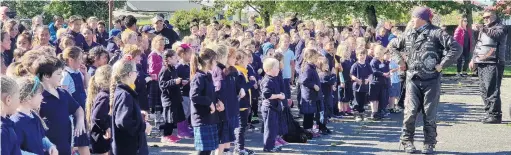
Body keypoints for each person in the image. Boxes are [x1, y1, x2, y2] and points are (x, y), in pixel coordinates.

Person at [388, 6, 461, 154]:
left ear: (422, 19)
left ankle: (429, 143)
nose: (411, 20)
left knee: (429, 113)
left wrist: (442, 65)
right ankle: (407, 141)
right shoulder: (408, 34)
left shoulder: (436, 32)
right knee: (410, 112)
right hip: (412, 79)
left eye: (414, 17)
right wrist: (400, 61)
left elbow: (456, 48)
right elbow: (392, 46)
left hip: (431, 80)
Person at [34, 56, 86, 155]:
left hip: (65, 146)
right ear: (46, 76)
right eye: (58, 74)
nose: (61, 76)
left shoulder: (62, 93)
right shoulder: (38, 98)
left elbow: (78, 109)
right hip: (49, 149)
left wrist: (80, 121)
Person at [469, 10, 508, 124]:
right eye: (484, 17)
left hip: (494, 62)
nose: (485, 19)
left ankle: (495, 115)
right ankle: (489, 113)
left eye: (488, 17)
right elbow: (479, 45)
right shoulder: (484, 29)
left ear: (495, 16)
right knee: (484, 90)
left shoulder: (501, 27)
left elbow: (496, 35)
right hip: (481, 62)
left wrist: (482, 28)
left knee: (492, 89)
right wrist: (473, 59)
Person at [10, 77, 59, 155]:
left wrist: (50, 146)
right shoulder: (16, 122)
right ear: (29, 98)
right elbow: (14, 150)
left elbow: (41, 137)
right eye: (40, 94)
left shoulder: (34, 116)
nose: (42, 97)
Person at [110, 58, 148, 155]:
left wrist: (138, 114)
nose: (137, 74)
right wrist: (143, 126)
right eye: (136, 71)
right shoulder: (124, 95)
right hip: (128, 148)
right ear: (130, 74)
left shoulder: (122, 92)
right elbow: (123, 121)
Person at [57, 46, 91, 155]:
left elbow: (86, 86)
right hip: (74, 110)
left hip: (82, 106)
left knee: (81, 140)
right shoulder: (66, 74)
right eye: (80, 58)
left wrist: (85, 73)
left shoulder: (78, 72)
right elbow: (64, 94)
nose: (82, 61)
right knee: (79, 140)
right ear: (71, 60)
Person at [189, 48, 222, 155]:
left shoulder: (207, 75)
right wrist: (209, 103)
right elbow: (194, 96)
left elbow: (210, 93)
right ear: (208, 61)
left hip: (209, 118)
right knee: (203, 150)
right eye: (215, 61)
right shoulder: (198, 77)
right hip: (202, 119)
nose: (216, 63)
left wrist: (217, 101)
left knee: (208, 150)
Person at [158, 49, 187, 143]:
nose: (177, 59)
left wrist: (181, 83)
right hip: (168, 98)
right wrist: (174, 81)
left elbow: (174, 82)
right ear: (169, 59)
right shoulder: (165, 69)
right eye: (175, 57)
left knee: (173, 118)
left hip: (175, 97)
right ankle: (165, 135)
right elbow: (162, 84)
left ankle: (170, 134)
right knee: (168, 118)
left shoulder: (173, 68)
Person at [260, 57, 286, 152]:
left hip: (274, 106)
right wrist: (279, 95)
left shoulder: (274, 78)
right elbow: (267, 94)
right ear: (268, 70)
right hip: (269, 107)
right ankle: (268, 147)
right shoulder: (267, 80)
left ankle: (271, 144)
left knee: (274, 128)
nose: (278, 69)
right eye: (276, 67)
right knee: (269, 129)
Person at [85, 65, 112, 155]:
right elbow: (97, 116)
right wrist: (106, 127)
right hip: (101, 136)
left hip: (101, 135)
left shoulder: (104, 95)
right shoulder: (104, 97)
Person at [233, 50, 256, 155]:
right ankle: (239, 148)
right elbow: (241, 88)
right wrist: (251, 82)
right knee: (240, 127)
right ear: (240, 60)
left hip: (245, 104)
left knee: (243, 126)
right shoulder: (238, 72)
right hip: (240, 104)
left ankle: (240, 147)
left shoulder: (243, 71)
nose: (248, 60)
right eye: (246, 59)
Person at [299, 48, 322, 137]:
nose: (316, 59)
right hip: (308, 95)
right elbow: (304, 80)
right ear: (310, 57)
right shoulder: (307, 68)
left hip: (312, 95)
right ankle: (307, 130)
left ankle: (310, 129)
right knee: (308, 114)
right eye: (315, 57)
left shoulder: (312, 67)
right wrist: (313, 85)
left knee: (311, 113)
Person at [175, 43, 194, 138]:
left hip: (189, 92)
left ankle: (185, 128)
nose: (191, 56)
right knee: (183, 112)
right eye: (189, 54)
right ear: (183, 55)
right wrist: (182, 81)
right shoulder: (179, 67)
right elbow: (175, 79)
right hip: (183, 93)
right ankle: (181, 130)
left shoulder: (189, 65)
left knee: (187, 112)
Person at [1, 76, 22, 155]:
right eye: (18, 98)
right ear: (8, 100)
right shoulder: (3, 131)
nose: (19, 102)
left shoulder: (6, 126)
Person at [350, 48, 373, 122]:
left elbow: (371, 74)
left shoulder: (367, 64)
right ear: (357, 56)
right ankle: (356, 114)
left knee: (363, 100)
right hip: (356, 86)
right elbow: (351, 75)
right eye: (360, 55)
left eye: (363, 55)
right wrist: (356, 80)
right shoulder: (355, 65)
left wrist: (368, 80)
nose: (362, 56)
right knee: (356, 100)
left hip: (364, 85)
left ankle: (362, 112)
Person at [368, 45, 390, 120]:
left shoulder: (383, 61)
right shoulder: (374, 61)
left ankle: (378, 112)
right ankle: (374, 113)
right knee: (374, 98)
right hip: (375, 82)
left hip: (382, 82)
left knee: (380, 98)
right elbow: (374, 71)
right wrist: (383, 74)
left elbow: (386, 69)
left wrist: (388, 73)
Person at [337, 44, 355, 116]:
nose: (348, 52)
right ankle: (341, 110)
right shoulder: (340, 61)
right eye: (346, 50)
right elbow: (340, 72)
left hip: (348, 80)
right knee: (341, 96)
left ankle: (346, 109)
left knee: (347, 95)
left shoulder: (349, 60)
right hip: (342, 81)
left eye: (348, 50)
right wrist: (341, 81)